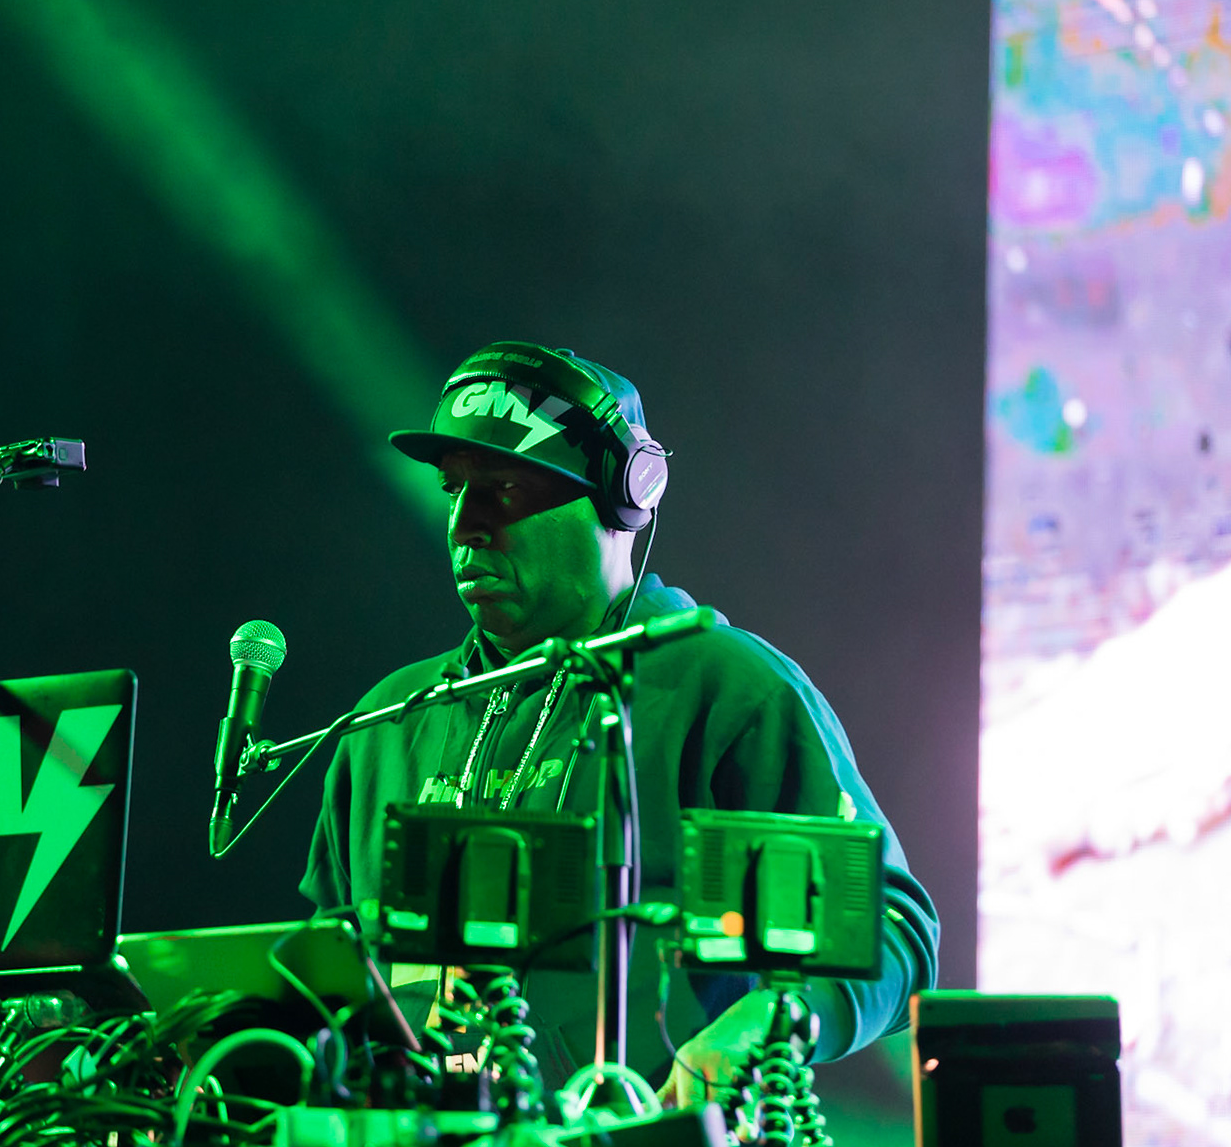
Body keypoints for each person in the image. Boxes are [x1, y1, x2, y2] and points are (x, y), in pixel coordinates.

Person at [300, 340, 939, 1104]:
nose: (464, 525)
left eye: (501, 490)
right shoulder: (382, 723)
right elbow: (322, 979)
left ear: (621, 498)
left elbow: (894, 931)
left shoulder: (723, 688)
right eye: (452, 491)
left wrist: (771, 1023)